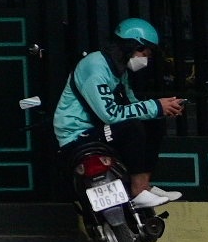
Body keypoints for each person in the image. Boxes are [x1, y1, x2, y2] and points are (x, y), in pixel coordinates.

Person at [53, 16, 186, 210]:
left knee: (154, 123)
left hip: (99, 130)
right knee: (132, 127)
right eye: (145, 52)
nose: (146, 58)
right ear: (132, 46)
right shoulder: (96, 67)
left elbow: (130, 103)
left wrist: (162, 110)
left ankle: (144, 186)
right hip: (78, 136)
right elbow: (110, 114)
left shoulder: (118, 70)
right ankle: (139, 191)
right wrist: (155, 106)